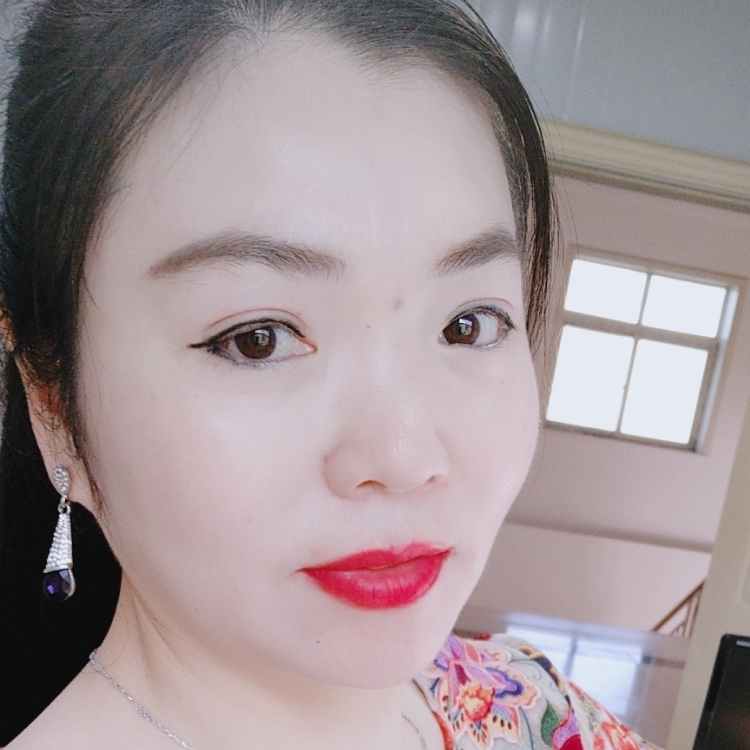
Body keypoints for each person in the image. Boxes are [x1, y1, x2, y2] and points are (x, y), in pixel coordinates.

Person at [0, 1, 657, 748]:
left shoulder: (538, 712)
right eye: (257, 340)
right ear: (53, 403)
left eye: (468, 324)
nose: (404, 458)